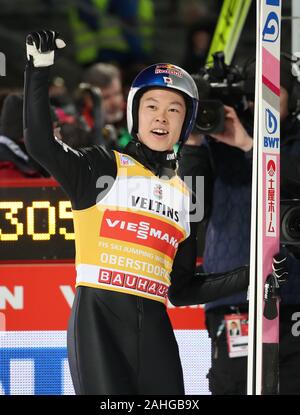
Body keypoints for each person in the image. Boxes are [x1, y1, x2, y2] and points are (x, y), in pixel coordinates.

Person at [24, 30, 286, 395]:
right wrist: (38, 69)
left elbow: (180, 290)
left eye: (174, 109)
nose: (162, 117)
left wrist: (253, 273)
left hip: (154, 325)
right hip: (98, 318)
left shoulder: (183, 194)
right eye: (152, 106)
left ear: (185, 123)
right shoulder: (102, 165)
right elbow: (40, 144)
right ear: (135, 114)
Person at [179, 58, 300, 395]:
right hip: (232, 300)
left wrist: (251, 146)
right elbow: (192, 207)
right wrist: (193, 145)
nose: (266, 105)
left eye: (276, 94)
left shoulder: (292, 144)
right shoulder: (216, 140)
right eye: (257, 95)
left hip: (294, 298)